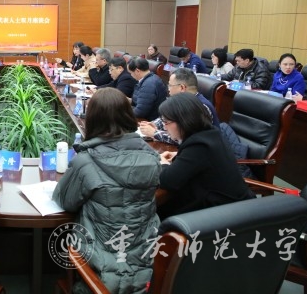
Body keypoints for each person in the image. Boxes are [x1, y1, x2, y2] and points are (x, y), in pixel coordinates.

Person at [52, 88, 161, 293]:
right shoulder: (152, 157)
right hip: (149, 267)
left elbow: (65, 200)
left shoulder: (86, 161)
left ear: (92, 120)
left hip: (100, 273)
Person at [157, 93, 254, 219]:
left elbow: (167, 181)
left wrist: (163, 163)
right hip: (234, 203)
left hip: (222, 214)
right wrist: (179, 155)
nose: (165, 127)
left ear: (183, 121)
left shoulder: (198, 145)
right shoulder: (212, 133)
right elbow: (203, 160)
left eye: (166, 122)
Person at [139, 68, 220, 144]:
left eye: (170, 85)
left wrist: (155, 133)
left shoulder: (200, 107)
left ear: (182, 87)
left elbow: (185, 138)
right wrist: (153, 124)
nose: (168, 89)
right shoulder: (180, 101)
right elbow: (169, 117)